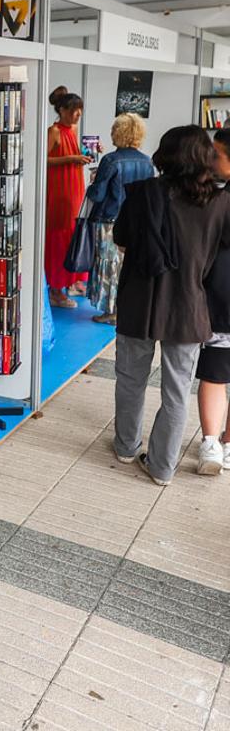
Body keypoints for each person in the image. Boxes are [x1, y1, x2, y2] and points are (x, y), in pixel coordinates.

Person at [113, 126, 230, 485]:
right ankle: (162, 468)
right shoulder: (220, 202)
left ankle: (126, 446)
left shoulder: (142, 193)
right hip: (188, 305)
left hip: (138, 301)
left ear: (165, 154)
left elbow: (121, 239)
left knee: (130, 379)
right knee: (177, 389)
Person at [84, 113, 154, 324]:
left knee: (108, 266)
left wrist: (92, 182)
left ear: (119, 133)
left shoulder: (110, 160)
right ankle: (126, 308)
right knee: (126, 266)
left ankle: (111, 311)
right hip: (136, 221)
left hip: (109, 220)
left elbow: (98, 194)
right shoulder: (147, 162)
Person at [194, 128, 230, 475]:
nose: (211, 159)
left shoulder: (217, 201)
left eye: (216, 153)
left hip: (222, 298)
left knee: (216, 373)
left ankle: (211, 443)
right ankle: (228, 444)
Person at [45, 87, 90, 308]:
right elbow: (43, 160)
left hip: (73, 188)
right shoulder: (53, 131)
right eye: (74, 110)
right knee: (59, 237)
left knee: (73, 234)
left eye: (79, 110)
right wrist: (71, 158)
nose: (78, 114)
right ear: (62, 110)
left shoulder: (71, 129)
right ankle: (56, 289)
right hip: (59, 190)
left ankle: (70, 282)